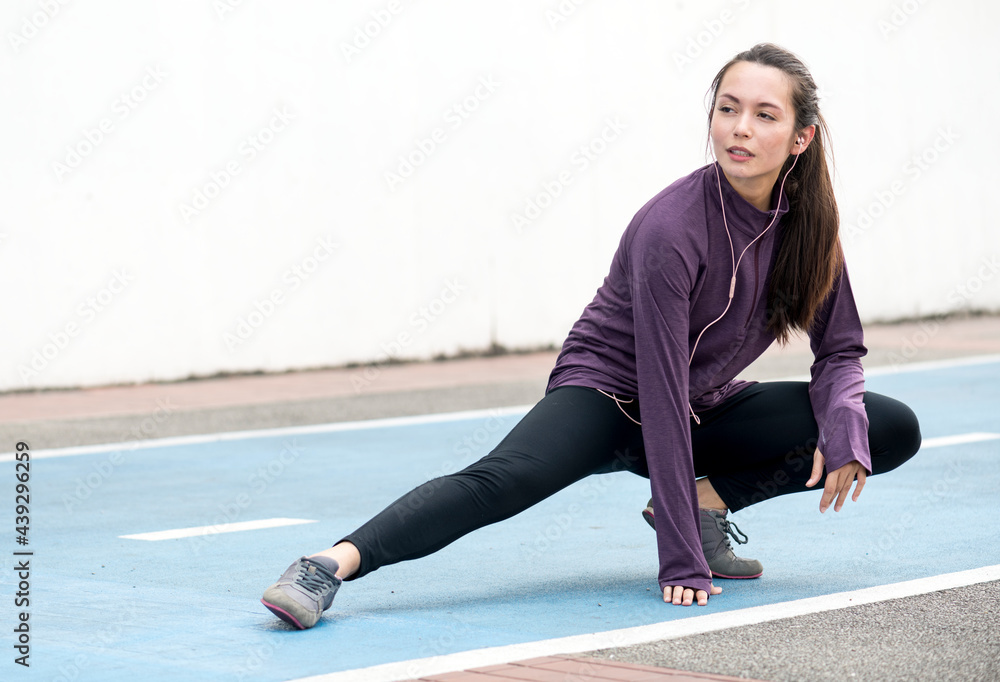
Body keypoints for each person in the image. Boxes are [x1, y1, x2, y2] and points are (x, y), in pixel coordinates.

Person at [260, 43, 922, 629]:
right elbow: (659, 393)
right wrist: (682, 562)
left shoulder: (808, 231)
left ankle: (698, 502)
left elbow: (840, 350)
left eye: (764, 115)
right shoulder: (671, 229)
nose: (740, 129)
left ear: (800, 138)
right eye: (727, 109)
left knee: (884, 427)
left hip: (705, 403)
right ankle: (327, 565)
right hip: (608, 393)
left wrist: (842, 428)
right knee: (501, 481)